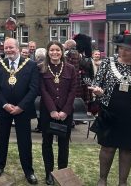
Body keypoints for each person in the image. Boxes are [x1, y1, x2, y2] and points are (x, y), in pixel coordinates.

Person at [88, 34, 131, 186]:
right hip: (109, 112)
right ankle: (103, 179)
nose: (123, 52)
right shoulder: (108, 63)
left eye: (127, 50)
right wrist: (97, 91)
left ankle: (123, 182)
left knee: (127, 150)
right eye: (121, 48)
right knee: (107, 148)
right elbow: (97, 83)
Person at [0, 38, 40, 184]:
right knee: (1, 138)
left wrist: (21, 106)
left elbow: (34, 89)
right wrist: (5, 104)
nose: (8, 50)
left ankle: (28, 171)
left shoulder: (30, 65)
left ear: (18, 48)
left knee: (25, 141)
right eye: (6, 48)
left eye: (11, 47)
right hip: (3, 109)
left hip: (23, 110)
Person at [39, 42, 79, 185]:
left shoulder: (70, 69)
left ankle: (62, 173)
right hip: (47, 113)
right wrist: (52, 110)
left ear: (62, 52)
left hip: (65, 114)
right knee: (47, 144)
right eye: (51, 50)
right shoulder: (42, 69)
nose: (54, 53)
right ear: (48, 52)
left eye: (57, 50)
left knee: (64, 145)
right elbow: (43, 91)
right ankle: (48, 173)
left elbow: (73, 90)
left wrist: (65, 111)